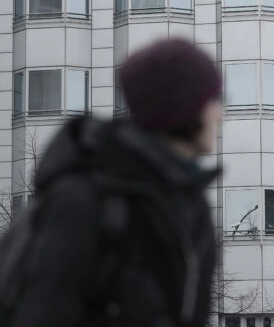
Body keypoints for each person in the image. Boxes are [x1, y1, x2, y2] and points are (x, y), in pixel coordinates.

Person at [9, 38, 223, 327]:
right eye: (215, 99)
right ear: (184, 108)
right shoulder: (85, 199)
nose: (221, 114)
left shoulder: (192, 206)